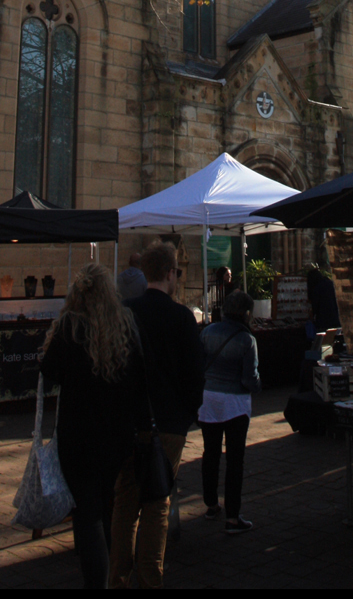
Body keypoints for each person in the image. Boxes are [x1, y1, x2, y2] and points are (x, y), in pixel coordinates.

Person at [39, 263, 147, 589]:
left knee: (87, 516)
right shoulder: (125, 324)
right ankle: (115, 576)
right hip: (116, 435)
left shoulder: (70, 327)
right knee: (108, 506)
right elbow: (139, 377)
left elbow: (49, 371)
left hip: (78, 437)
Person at [109, 240, 205, 589]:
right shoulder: (181, 317)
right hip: (168, 425)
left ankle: (117, 578)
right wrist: (185, 415)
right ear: (169, 273)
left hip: (129, 423)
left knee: (124, 504)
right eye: (176, 271)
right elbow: (195, 374)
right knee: (157, 504)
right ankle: (150, 580)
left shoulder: (125, 313)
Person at [199, 289, 262, 533]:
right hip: (235, 402)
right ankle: (233, 517)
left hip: (209, 398)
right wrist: (258, 386)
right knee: (235, 459)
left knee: (210, 453)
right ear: (246, 313)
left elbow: (199, 364)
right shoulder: (247, 339)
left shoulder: (207, 332)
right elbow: (249, 378)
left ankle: (211, 504)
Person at [306, 268, 340, 333]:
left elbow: (314, 308)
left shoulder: (316, 289)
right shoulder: (330, 284)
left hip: (323, 323)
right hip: (336, 320)